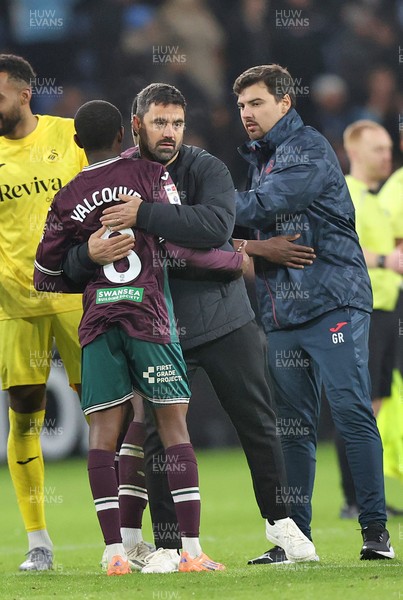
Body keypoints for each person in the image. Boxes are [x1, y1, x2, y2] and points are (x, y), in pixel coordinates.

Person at [62, 83, 318, 571]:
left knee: (258, 422)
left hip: (223, 319)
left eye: (177, 123)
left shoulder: (206, 168)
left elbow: (218, 228)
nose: (170, 132)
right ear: (135, 125)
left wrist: (146, 215)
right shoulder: (110, 180)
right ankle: (169, 545)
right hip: (158, 325)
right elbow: (72, 260)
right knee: (158, 437)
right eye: (160, 122)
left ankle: (281, 523)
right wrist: (89, 253)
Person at [34, 99, 250, 574]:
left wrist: (89, 257)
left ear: (76, 143)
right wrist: (238, 261)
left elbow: (44, 275)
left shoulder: (67, 197)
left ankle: (114, 554)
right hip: (150, 318)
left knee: (103, 437)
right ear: (125, 135)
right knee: (173, 430)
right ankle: (190, 551)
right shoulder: (149, 175)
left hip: (99, 323)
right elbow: (181, 239)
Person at [233, 64, 395, 561]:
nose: (246, 114)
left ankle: (375, 533)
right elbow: (249, 233)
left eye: (256, 103)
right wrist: (255, 249)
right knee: (293, 428)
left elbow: (264, 205)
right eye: (241, 106)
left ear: (285, 102)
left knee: (349, 410)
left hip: (333, 302)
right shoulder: (262, 159)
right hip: (282, 312)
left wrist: (201, 205)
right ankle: (295, 540)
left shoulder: (307, 147)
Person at [0, 54, 85, 571]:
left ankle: (123, 536)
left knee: (106, 409)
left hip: (79, 298)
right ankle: (39, 542)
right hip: (16, 303)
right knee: (25, 414)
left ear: (25, 93)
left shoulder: (70, 136)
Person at [336, 120, 403, 518]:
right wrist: (385, 259)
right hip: (361, 309)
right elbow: (339, 249)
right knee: (358, 404)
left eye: (388, 148)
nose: (387, 155)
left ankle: (367, 496)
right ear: (355, 152)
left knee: (374, 403)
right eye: (378, 149)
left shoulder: (376, 198)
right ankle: (353, 498)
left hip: (386, 306)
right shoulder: (346, 194)